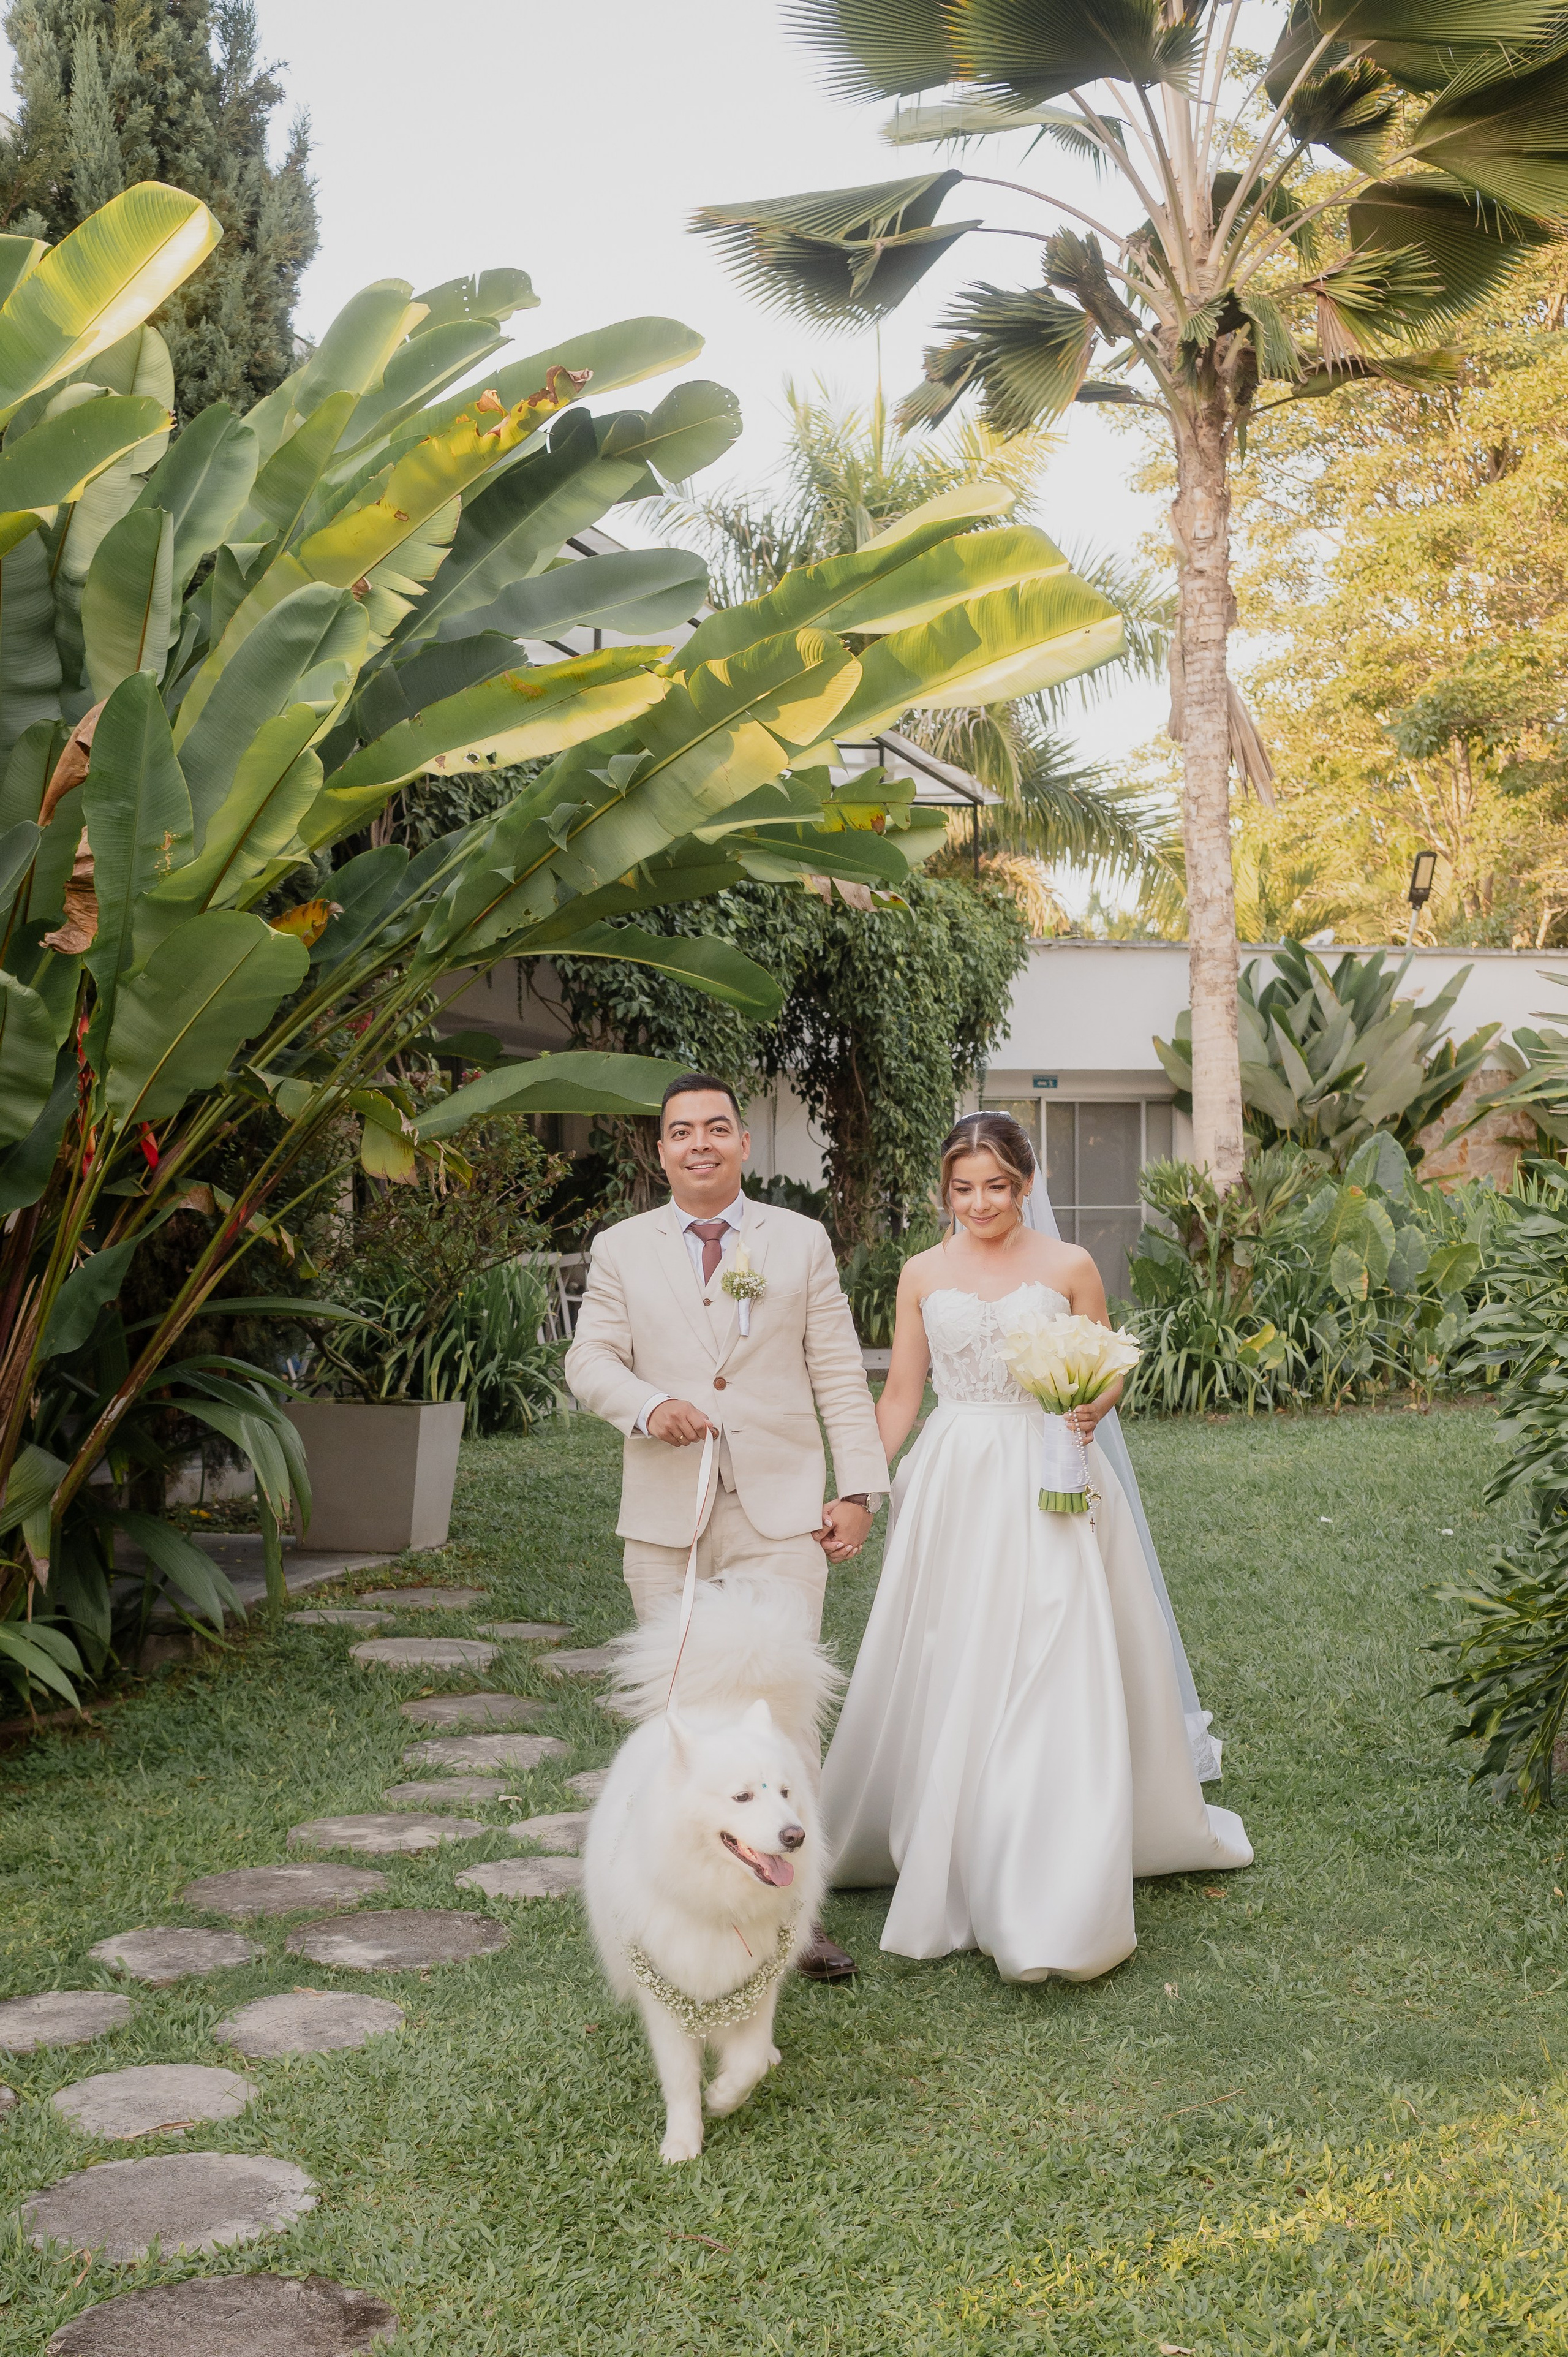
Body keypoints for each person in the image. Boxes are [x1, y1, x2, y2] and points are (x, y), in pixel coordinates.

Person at [821, 1110, 1251, 1984]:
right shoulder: (921, 1272)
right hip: (955, 1477)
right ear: (946, 1190)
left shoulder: (1069, 1266)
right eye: (962, 1187)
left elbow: (1107, 1365)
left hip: (1051, 1472)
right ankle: (955, 1828)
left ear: (1026, 1184)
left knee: (1052, 1647)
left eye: (997, 1186)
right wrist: (862, 1484)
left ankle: (1046, 1862)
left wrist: (1095, 1404)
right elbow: (903, 1394)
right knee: (955, 1651)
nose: (980, 1203)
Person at [564, 1072, 890, 1981]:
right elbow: (589, 1359)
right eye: (680, 1132)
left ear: (745, 1144)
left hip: (782, 1510)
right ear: (659, 1150)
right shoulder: (621, 1247)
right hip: (668, 1513)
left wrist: (860, 1488)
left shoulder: (800, 1239)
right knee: (676, 1712)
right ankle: (673, 1896)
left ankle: (801, 1915)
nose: (699, 1143)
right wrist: (649, 1403)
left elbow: (835, 1368)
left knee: (782, 1715)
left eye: (717, 1128)